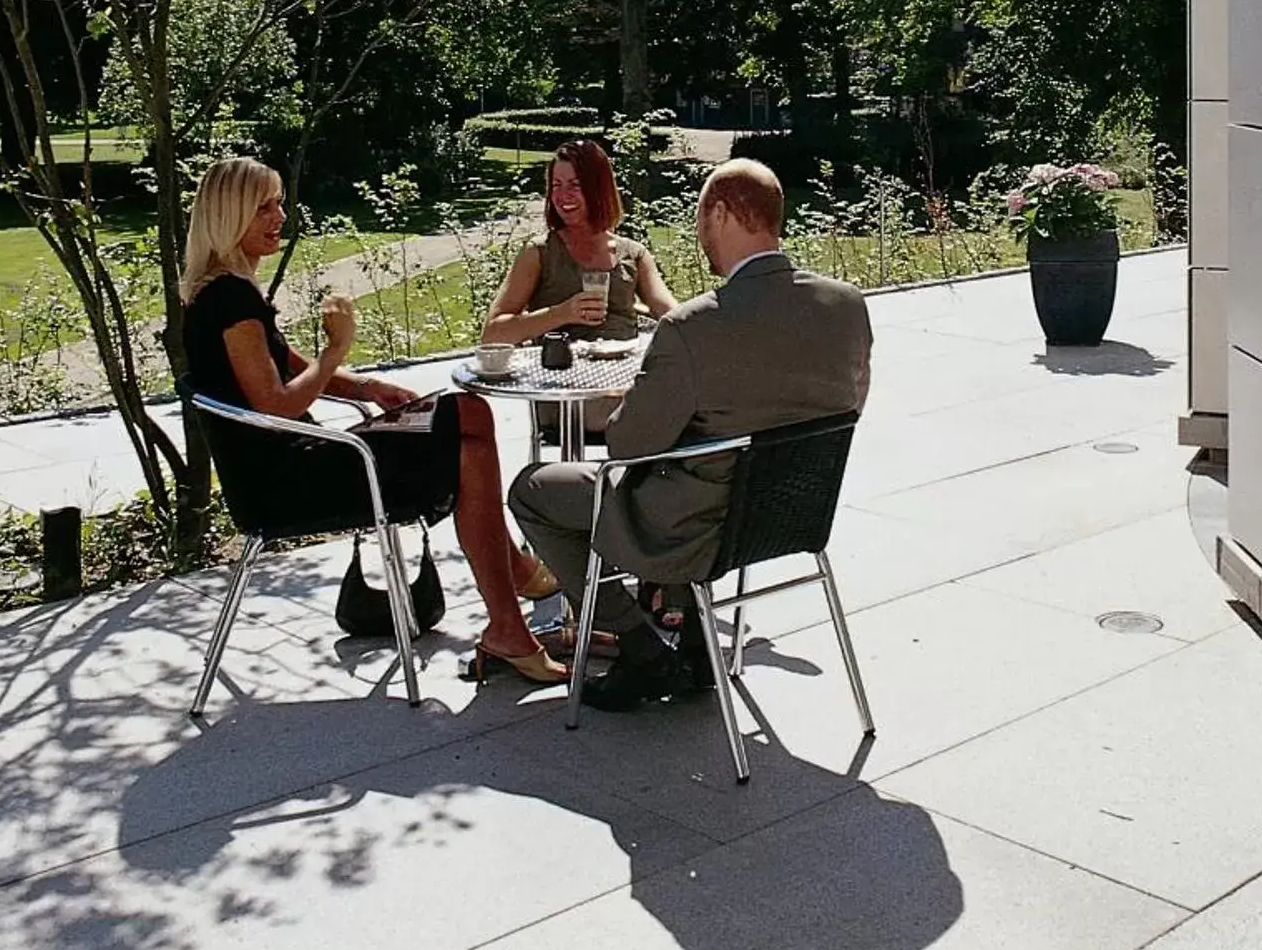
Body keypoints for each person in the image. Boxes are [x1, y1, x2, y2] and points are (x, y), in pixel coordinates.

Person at [180, 155, 568, 685]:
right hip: (292, 482)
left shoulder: (223, 290)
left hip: (297, 465)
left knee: (467, 428)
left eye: (279, 203)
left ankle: (509, 619)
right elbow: (277, 405)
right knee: (466, 419)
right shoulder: (231, 300)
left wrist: (369, 387)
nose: (279, 216)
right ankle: (516, 590)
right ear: (229, 216)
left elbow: (293, 368)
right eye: (263, 207)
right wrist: (337, 349)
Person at [509, 158, 871, 712]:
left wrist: (633, 401)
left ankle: (638, 646)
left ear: (722, 213)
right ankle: (698, 641)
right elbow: (849, 407)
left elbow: (629, 444)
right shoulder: (847, 306)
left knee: (535, 489)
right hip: (790, 517)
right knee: (689, 466)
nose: (700, 236)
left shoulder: (695, 327)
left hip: (695, 527)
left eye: (702, 220)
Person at [481, 138, 676, 352]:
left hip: (623, 376)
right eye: (557, 185)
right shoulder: (539, 253)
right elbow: (492, 334)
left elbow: (670, 312)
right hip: (558, 376)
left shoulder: (633, 254)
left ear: (599, 189)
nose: (563, 196)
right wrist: (562, 313)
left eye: (575, 185)